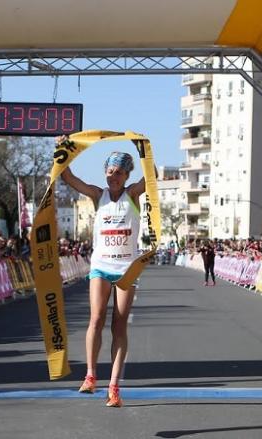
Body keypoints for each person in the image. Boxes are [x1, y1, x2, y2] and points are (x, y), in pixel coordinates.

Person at [60, 142, 147, 408]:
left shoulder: (132, 194)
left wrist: (145, 149)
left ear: (126, 176)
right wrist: (63, 149)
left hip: (126, 269)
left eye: (118, 173)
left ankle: (114, 387)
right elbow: (69, 178)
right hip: (101, 265)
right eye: (109, 172)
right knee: (96, 318)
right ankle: (90, 376)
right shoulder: (98, 195)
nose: (113, 176)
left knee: (118, 325)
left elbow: (151, 177)